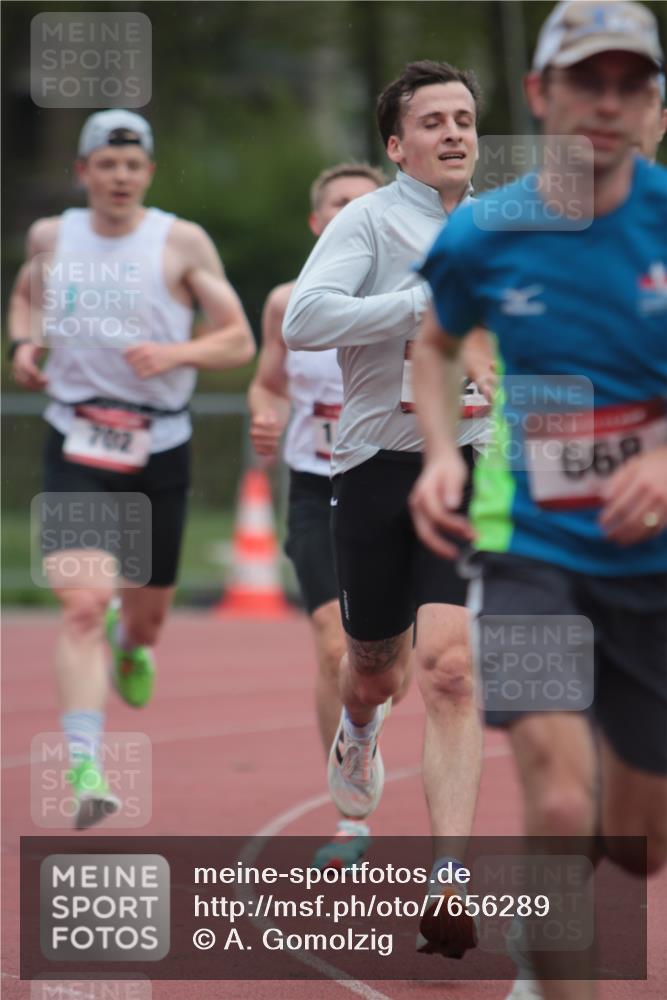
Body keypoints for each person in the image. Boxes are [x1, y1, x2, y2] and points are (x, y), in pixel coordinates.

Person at [410, 3, 666, 997]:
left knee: (640, 847)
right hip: (528, 549)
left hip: (649, 563)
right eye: (584, 83)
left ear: (652, 106)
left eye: (629, 85)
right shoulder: (482, 232)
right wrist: (440, 453)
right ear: (540, 95)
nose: (605, 105)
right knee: (557, 805)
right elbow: (434, 345)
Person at [284, 61, 494, 957]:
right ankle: (359, 729)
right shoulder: (368, 221)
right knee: (373, 671)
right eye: (434, 122)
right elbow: (305, 320)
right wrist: (418, 305)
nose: (453, 134)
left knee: (448, 668)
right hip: (374, 468)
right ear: (396, 144)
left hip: (468, 468)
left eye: (465, 119)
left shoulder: (499, 225)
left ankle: (448, 880)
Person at [8, 109, 255, 829]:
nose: (119, 176)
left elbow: (237, 337)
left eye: (132, 165)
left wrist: (176, 354)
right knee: (83, 603)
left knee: (142, 622)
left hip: (160, 445)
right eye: (105, 164)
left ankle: (132, 645)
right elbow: (27, 296)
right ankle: (86, 765)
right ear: (83, 172)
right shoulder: (52, 237)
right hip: (77, 434)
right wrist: (26, 345)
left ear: (147, 172)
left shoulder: (179, 242)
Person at [248, 162, 386, 866]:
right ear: (316, 221)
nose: (349, 215)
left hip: (391, 481)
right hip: (313, 487)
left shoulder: (408, 298)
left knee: (385, 664)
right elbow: (267, 382)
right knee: (334, 647)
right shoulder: (284, 304)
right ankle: (349, 817)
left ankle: (365, 723)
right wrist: (265, 416)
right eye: (337, 204)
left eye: (364, 206)